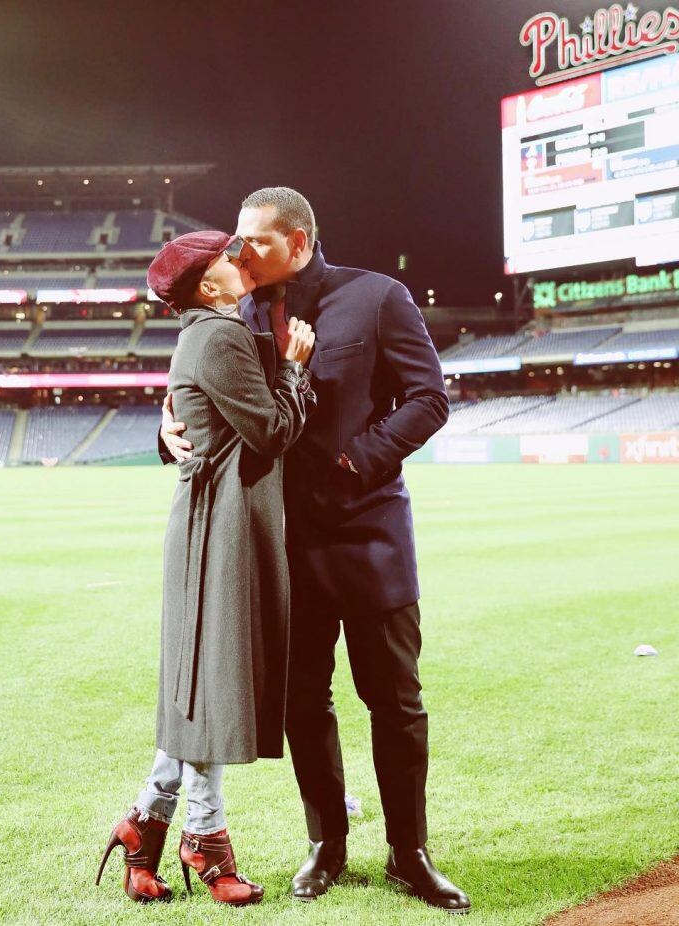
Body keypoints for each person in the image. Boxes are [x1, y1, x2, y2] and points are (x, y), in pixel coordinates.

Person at [160, 189, 471, 914]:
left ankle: (410, 853)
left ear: (298, 242)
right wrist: (166, 429)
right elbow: (203, 394)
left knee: (395, 702)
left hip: (369, 536)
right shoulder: (233, 311)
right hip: (280, 544)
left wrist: (358, 461)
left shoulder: (379, 298)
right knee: (305, 702)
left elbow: (429, 399)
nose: (239, 254)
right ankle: (325, 845)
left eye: (256, 242)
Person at [96, 229, 315, 906]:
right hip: (218, 528)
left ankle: (145, 826)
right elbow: (273, 432)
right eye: (225, 257)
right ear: (209, 286)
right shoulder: (218, 335)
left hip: (213, 524)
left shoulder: (208, 329)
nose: (237, 258)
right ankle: (205, 837)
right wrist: (294, 367)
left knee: (201, 684)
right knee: (210, 684)